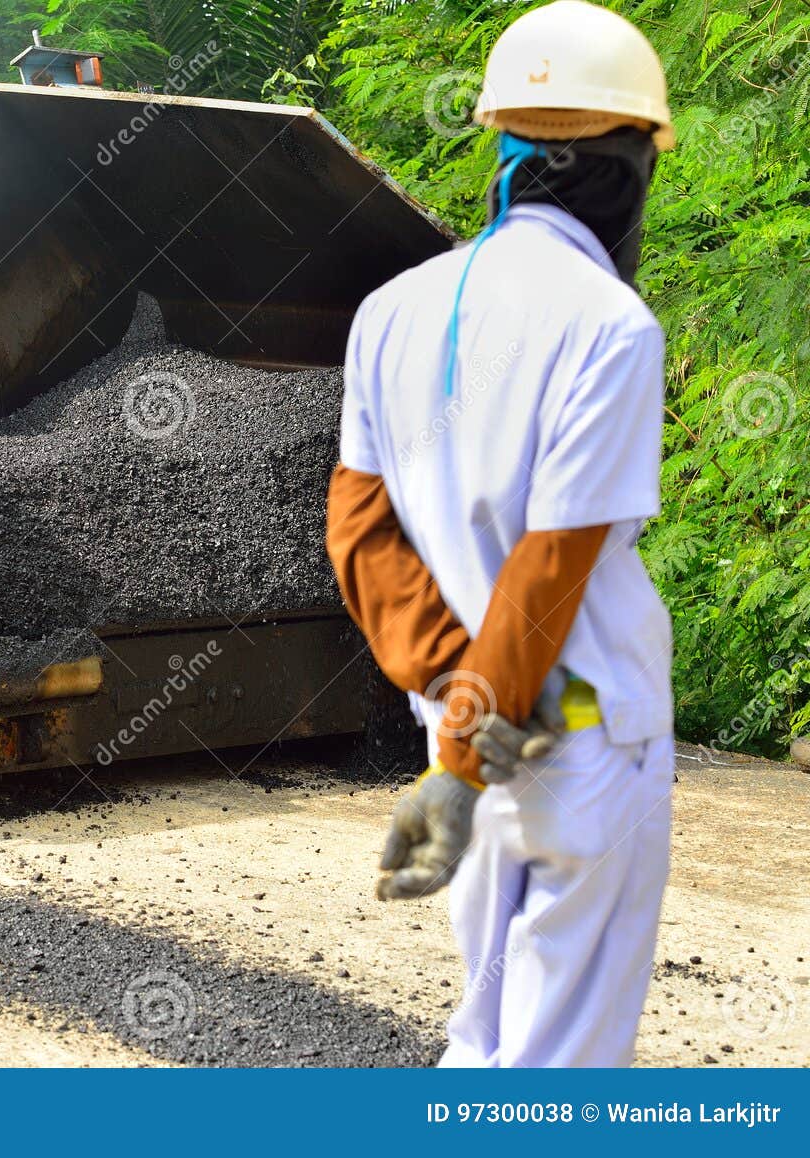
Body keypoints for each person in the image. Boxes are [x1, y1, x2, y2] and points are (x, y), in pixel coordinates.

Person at [325, 0, 676, 1067]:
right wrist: (465, 756)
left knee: (482, 1041)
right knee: (558, 1074)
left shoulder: (390, 309)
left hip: (474, 735)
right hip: (579, 743)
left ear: (507, 156)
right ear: (629, 167)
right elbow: (551, 565)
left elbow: (359, 528)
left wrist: (455, 706)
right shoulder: (611, 326)